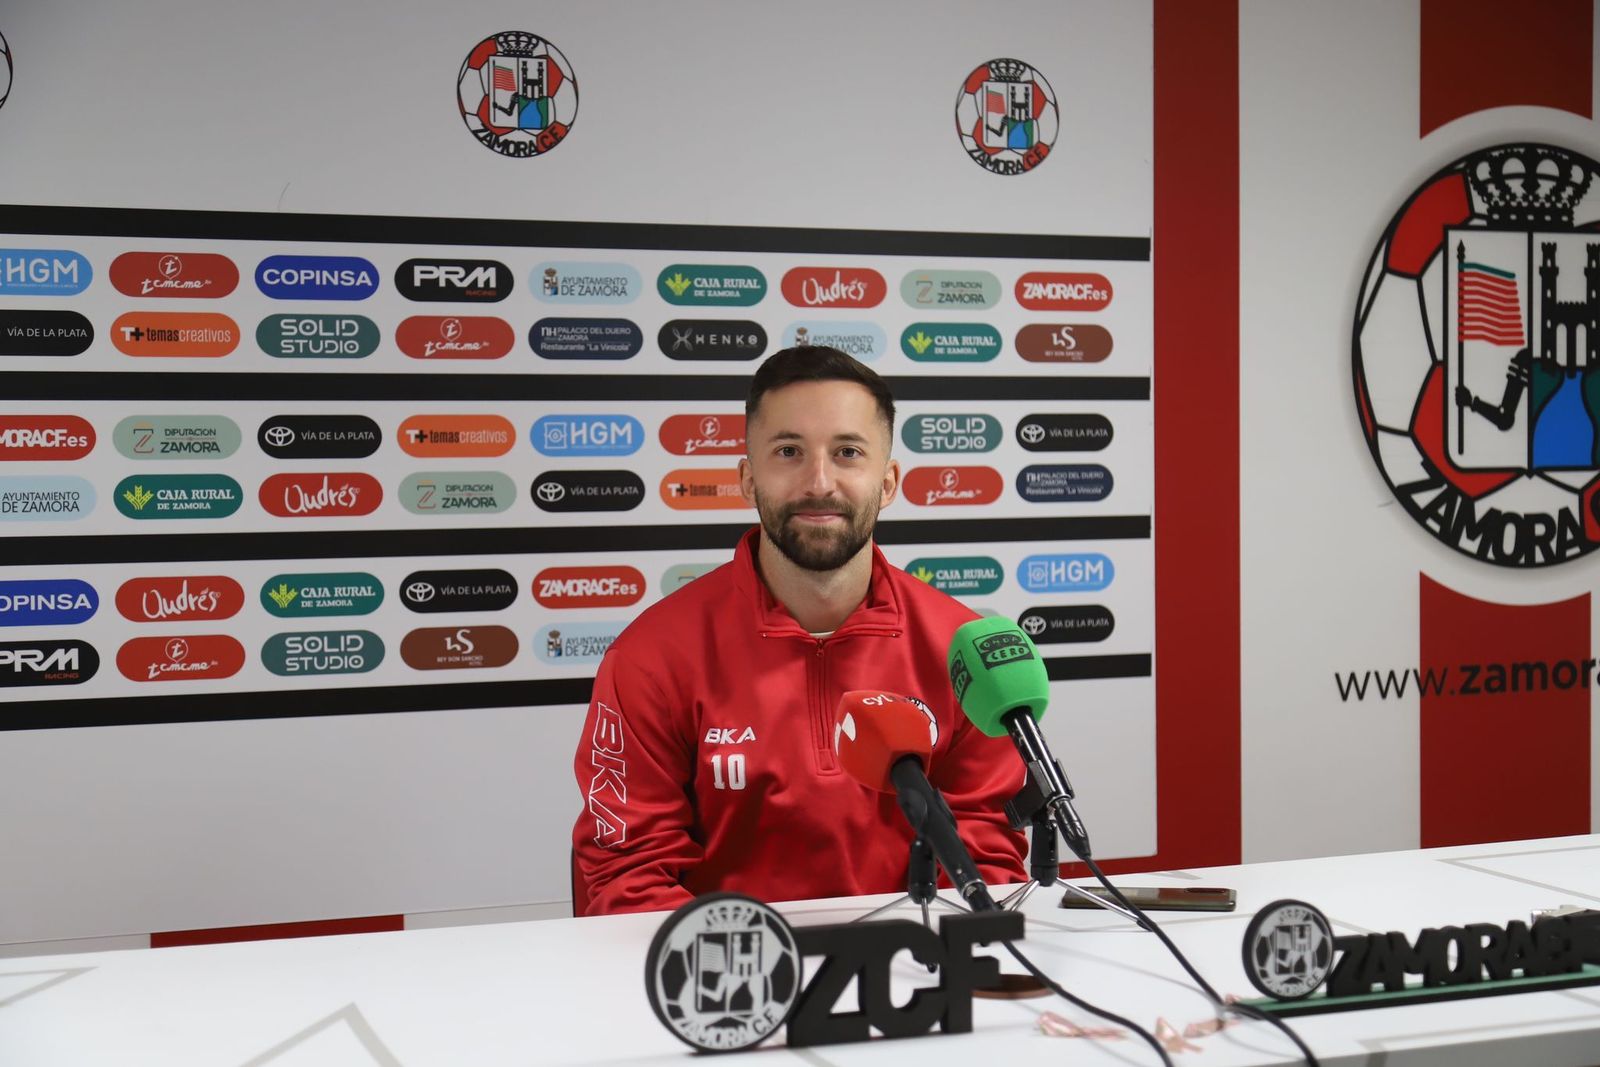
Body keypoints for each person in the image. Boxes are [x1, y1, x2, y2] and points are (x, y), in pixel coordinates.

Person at [571, 346, 1027, 915]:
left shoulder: (961, 648)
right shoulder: (653, 657)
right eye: (789, 451)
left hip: (914, 971)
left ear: (887, 483)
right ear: (747, 477)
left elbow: (986, 861)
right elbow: (628, 874)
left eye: (847, 453)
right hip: (726, 982)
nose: (819, 482)